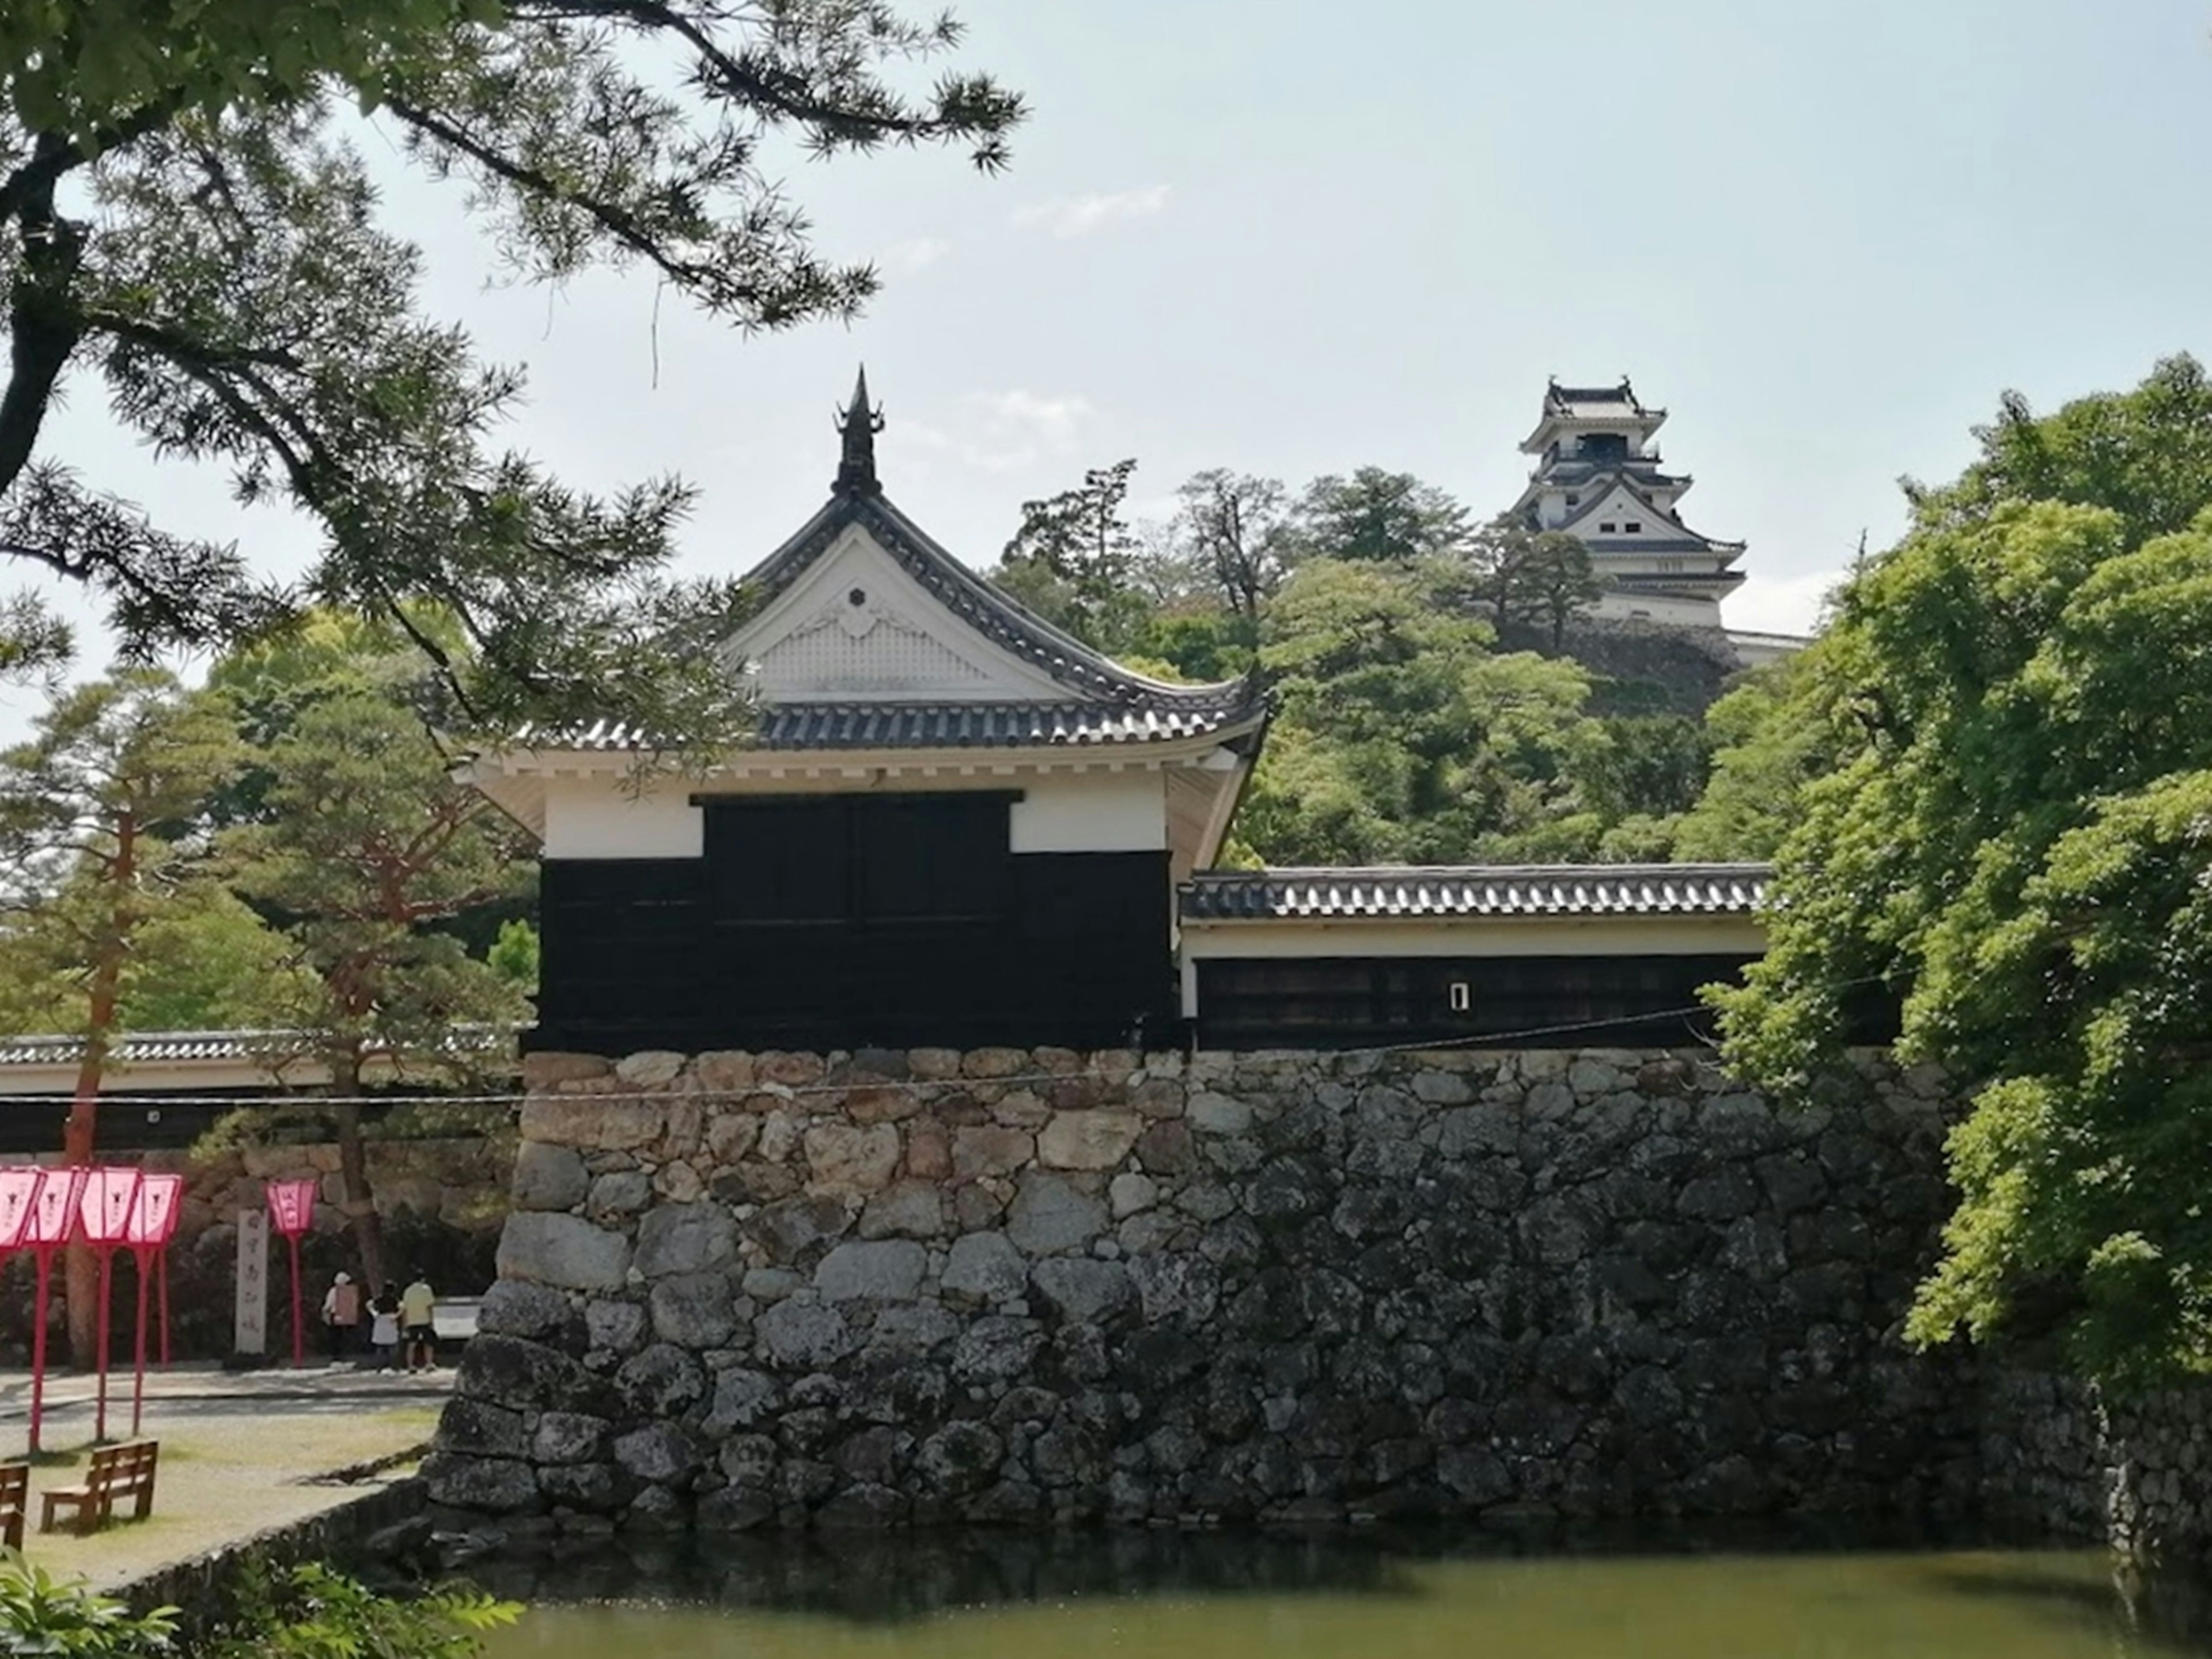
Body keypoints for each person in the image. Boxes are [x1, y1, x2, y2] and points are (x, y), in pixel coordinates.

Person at [320, 1271, 362, 1363]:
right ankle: (340, 1357)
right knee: (341, 1337)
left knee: (336, 1338)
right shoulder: (345, 1292)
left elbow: (328, 1305)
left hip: (336, 1316)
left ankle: (337, 1357)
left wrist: (325, 1312)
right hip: (344, 1316)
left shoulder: (334, 1291)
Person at [399, 1272, 437, 1373]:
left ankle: (411, 1366)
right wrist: (432, 1321)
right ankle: (429, 1364)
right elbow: (429, 1306)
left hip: (412, 1321)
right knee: (428, 1344)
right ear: (423, 1279)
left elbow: (405, 1308)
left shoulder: (408, 1291)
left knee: (412, 1344)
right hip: (425, 1320)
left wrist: (405, 1324)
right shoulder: (426, 1289)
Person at [368, 1286, 402, 1371]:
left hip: (380, 1319)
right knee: (392, 1345)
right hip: (391, 1319)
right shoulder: (395, 1299)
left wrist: (374, 1313)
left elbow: (368, 1304)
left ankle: (379, 1367)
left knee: (380, 1346)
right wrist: (396, 1316)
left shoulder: (379, 1298)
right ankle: (394, 1366)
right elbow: (402, 1307)